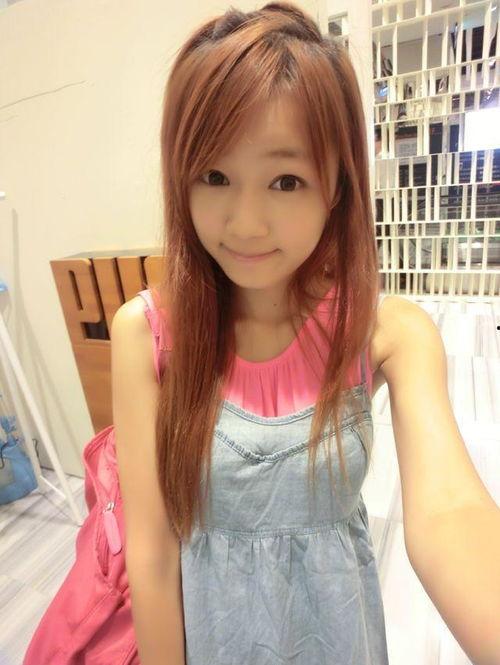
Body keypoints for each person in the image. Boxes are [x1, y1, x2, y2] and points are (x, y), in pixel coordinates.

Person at [24, 2, 500, 665]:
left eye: (285, 180)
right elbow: (153, 553)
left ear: (337, 186)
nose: (245, 224)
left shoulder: (387, 331)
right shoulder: (149, 334)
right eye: (214, 176)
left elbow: (450, 510)